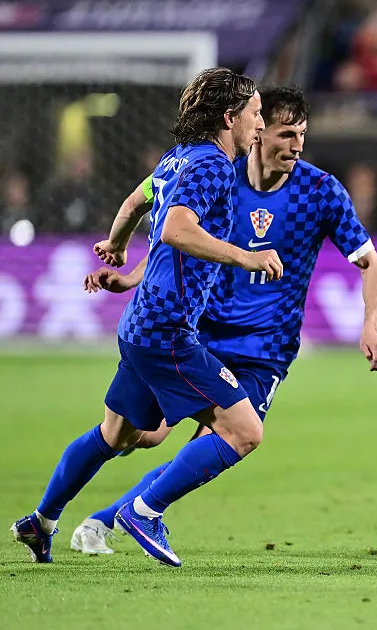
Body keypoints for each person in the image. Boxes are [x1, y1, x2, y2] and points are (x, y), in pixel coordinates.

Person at [67, 86, 377, 557]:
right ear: (257, 131)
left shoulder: (320, 191)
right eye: (285, 134)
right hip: (203, 332)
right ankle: (103, 515)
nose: (297, 145)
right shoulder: (219, 176)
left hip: (265, 349)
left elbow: (372, 264)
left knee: (223, 438)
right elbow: (174, 237)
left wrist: (372, 326)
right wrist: (131, 278)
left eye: (302, 134)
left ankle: (111, 519)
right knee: (145, 434)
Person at [11, 67, 279, 567]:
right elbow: (177, 230)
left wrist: (117, 251)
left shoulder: (178, 160)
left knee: (120, 435)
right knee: (244, 430)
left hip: (140, 324)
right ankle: (144, 511)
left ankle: (42, 522)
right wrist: (244, 256)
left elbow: (138, 203)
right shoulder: (214, 167)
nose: (260, 125)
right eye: (256, 114)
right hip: (167, 331)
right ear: (230, 118)